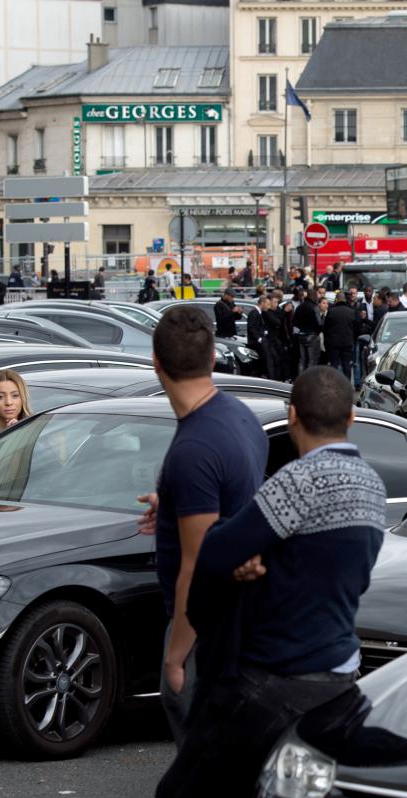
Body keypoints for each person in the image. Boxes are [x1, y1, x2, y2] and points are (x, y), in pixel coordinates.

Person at [153, 366, 386, 798]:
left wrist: (238, 556)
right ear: (353, 418)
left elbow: (213, 553)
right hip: (340, 674)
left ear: (292, 415)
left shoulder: (299, 482)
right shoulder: (372, 486)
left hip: (275, 677)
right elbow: (327, 567)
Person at [136, 309, 269, 746]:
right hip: (240, 622)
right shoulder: (241, 416)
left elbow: (197, 566)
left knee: (202, 779)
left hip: (205, 636)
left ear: (156, 364)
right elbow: (240, 500)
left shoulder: (193, 448)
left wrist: (176, 656)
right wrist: (175, 504)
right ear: (213, 358)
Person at [323, 288, 357, 379]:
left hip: (333, 343)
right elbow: (355, 328)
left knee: (334, 364)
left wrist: (326, 342)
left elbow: (325, 328)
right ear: (345, 299)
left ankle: (333, 384)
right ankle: (347, 385)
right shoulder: (351, 311)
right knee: (346, 364)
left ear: (336, 299)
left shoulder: (331, 311)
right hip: (347, 342)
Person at [294, 287, 324, 371]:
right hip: (312, 335)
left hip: (301, 335)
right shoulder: (314, 307)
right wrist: (320, 330)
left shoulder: (300, 307)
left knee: (302, 360)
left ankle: (301, 379)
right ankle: (310, 381)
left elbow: (294, 322)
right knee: (312, 360)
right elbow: (319, 323)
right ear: (313, 296)